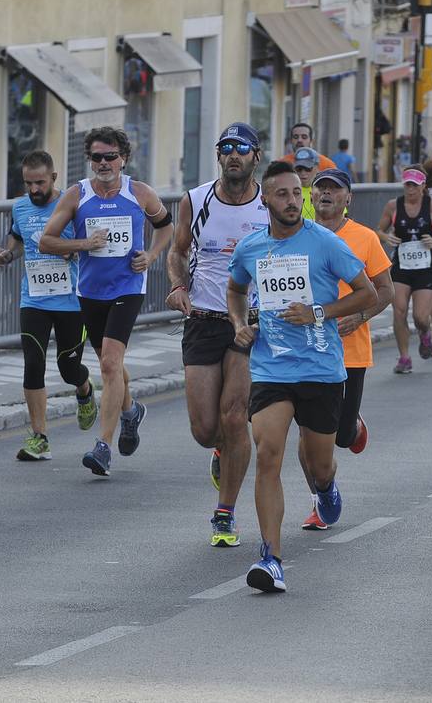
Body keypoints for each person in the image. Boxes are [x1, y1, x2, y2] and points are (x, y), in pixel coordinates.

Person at [227, 161, 377, 592]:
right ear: (266, 200)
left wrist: (320, 312)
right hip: (271, 368)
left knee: (319, 464)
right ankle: (270, 558)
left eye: (298, 193)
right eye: (283, 194)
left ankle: (326, 488)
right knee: (268, 453)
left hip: (320, 369)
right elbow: (236, 288)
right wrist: (238, 323)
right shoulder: (251, 248)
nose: (293, 201)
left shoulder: (325, 243)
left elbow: (366, 292)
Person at [40, 126, 174, 476]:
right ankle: (131, 411)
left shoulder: (139, 193)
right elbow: (46, 241)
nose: (103, 163)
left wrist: (153, 255)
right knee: (109, 364)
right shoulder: (76, 195)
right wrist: (84, 245)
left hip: (128, 288)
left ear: (123, 159)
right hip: (90, 292)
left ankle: (103, 446)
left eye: (110, 156)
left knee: (111, 365)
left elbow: (166, 226)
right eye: (96, 157)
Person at [165, 126, 268, 546]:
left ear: (255, 157)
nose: (232, 155)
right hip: (204, 318)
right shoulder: (196, 199)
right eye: (225, 148)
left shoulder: (269, 204)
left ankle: (224, 513)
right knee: (206, 429)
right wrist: (177, 285)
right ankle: (221, 449)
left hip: (250, 322)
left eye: (240, 149)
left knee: (234, 415)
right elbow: (177, 250)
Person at [297, 168, 392, 531]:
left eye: (334, 190)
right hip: (305, 350)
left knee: (340, 437)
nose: (325, 194)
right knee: (307, 434)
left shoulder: (365, 238)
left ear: (347, 198)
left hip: (349, 348)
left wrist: (362, 315)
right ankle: (320, 499)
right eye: (320, 188)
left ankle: (352, 426)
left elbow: (386, 291)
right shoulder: (297, 234)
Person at [0, 151, 95, 465]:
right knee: (33, 363)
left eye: (40, 182)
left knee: (68, 369)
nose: (34, 189)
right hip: (33, 298)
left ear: (53, 178)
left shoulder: (71, 205)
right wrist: (7, 255)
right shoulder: (20, 206)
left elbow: (90, 243)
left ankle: (84, 387)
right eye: (28, 183)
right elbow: (18, 238)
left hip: (70, 301)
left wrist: (71, 251)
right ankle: (40, 437)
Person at [377, 168, 432, 374]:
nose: (410, 189)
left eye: (414, 185)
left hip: (425, 269)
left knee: (420, 316)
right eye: (407, 184)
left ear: (423, 187)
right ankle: (404, 357)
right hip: (401, 267)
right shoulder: (393, 206)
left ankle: (425, 333)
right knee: (399, 311)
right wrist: (386, 238)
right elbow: (378, 230)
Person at [293, 148, 322, 219]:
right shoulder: (288, 193)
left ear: (317, 168)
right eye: (299, 169)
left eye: (308, 168)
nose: (303, 173)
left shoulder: (326, 192)